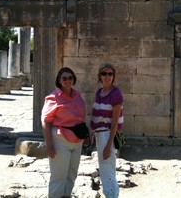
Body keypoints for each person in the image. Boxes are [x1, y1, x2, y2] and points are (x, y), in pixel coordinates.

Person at [41, 67, 88, 198]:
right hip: (60, 140)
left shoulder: (77, 95)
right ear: (59, 81)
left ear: (74, 80)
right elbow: (45, 121)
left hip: (77, 141)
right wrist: (49, 145)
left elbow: (80, 118)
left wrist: (87, 135)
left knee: (71, 175)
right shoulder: (53, 98)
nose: (68, 80)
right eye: (64, 78)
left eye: (70, 78)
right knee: (58, 177)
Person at [90, 63, 124, 198]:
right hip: (99, 135)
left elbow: (115, 122)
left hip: (108, 136)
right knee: (105, 170)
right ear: (100, 76)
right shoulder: (99, 92)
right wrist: (92, 133)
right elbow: (97, 115)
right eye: (104, 74)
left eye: (110, 74)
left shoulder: (116, 94)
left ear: (113, 76)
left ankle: (111, 195)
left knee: (107, 172)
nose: (107, 76)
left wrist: (108, 145)